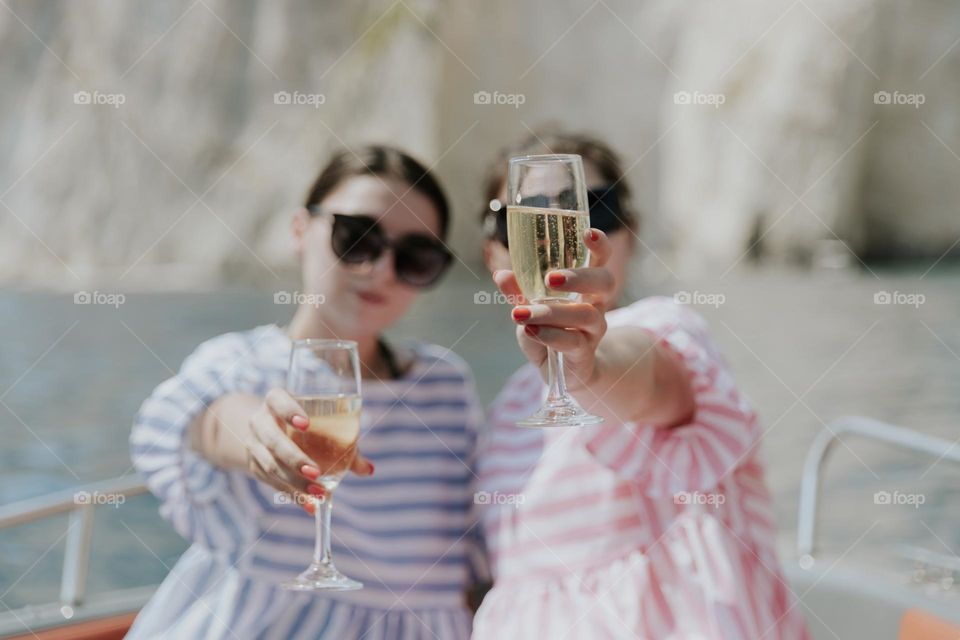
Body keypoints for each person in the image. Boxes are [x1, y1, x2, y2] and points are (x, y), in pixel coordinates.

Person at [128, 145, 486, 639]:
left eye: (415, 257)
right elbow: (197, 419)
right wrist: (258, 434)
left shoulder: (446, 383)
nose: (381, 269)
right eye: (357, 237)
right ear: (300, 230)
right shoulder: (243, 364)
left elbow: (475, 545)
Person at [472, 130, 810, 639]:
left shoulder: (665, 326)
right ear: (494, 251)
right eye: (523, 210)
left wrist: (588, 365)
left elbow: (646, 380)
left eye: (596, 208)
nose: (563, 223)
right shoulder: (504, 410)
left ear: (628, 231)